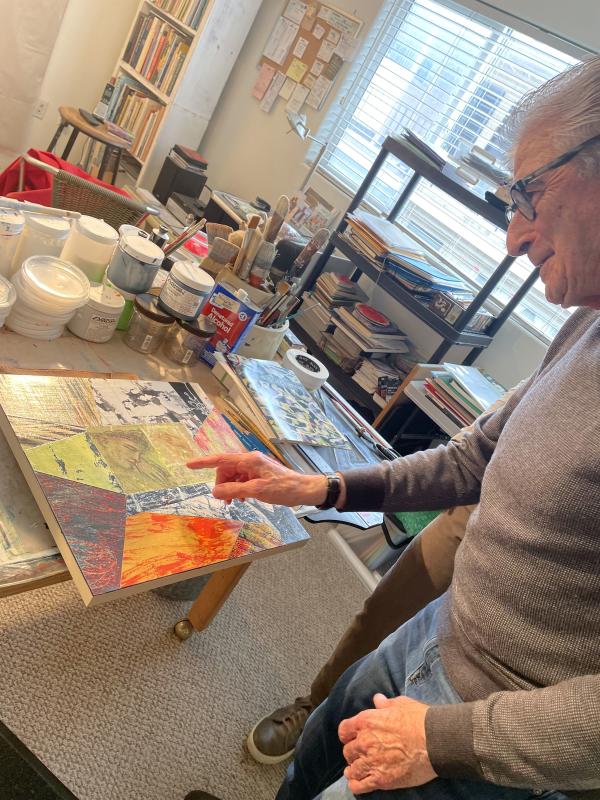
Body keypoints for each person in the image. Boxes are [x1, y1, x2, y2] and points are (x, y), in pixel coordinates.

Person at [185, 56, 600, 800]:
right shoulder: (586, 323)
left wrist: (445, 739)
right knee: (318, 750)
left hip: (489, 736)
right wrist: (321, 486)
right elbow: (476, 456)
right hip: (442, 630)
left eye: (528, 194)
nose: (513, 236)